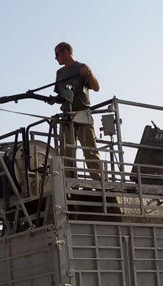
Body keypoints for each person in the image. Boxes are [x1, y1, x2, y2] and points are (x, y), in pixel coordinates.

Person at [53, 42, 103, 181]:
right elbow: (61, 96)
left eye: (57, 54)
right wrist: (53, 99)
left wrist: (89, 73)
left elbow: (96, 87)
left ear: (66, 52)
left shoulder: (81, 67)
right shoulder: (60, 73)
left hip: (81, 113)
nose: (56, 58)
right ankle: (69, 182)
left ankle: (99, 182)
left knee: (90, 151)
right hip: (67, 116)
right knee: (66, 152)